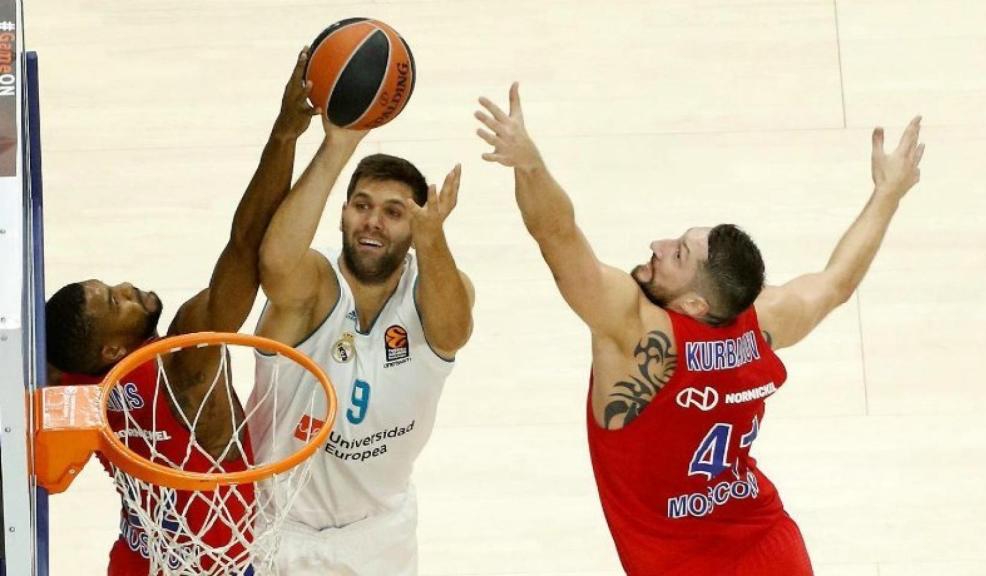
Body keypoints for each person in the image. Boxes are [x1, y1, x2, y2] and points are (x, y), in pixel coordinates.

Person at [475, 83, 924, 575]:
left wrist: (530, 165)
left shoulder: (638, 335)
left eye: (678, 255)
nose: (658, 245)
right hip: (772, 551)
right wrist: (888, 193)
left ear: (694, 303)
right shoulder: (762, 320)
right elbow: (836, 283)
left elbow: (557, 235)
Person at [43, 48, 317, 575]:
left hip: (137, 558)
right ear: (112, 349)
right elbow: (245, 249)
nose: (128, 288)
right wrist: (284, 135)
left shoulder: (69, 376)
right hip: (216, 564)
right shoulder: (183, 363)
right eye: (115, 301)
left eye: (113, 286)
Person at [252, 111, 474, 574]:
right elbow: (274, 265)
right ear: (342, 213)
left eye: (394, 213)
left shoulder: (432, 291)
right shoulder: (314, 287)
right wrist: (338, 146)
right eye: (361, 205)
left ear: (414, 229)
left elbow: (454, 333)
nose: (372, 221)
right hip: (278, 529)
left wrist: (433, 240)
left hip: (380, 536)